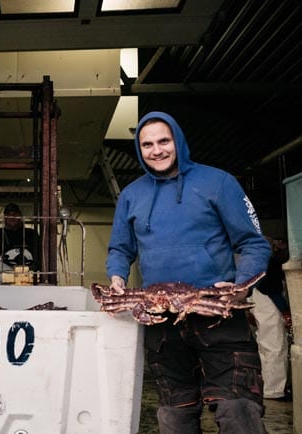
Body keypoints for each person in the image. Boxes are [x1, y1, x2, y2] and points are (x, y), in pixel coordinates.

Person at [105, 111, 272, 434]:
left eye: (164, 141)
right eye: (147, 144)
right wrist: (117, 276)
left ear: (178, 140)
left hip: (218, 314)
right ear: (140, 150)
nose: (157, 150)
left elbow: (254, 243)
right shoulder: (131, 195)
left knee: (238, 412)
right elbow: (120, 249)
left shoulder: (219, 182)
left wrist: (241, 286)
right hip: (162, 326)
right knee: (174, 417)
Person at [250, 236, 291, 401]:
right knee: (275, 347)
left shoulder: (256, 263)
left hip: (258, 301)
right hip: (268, 303)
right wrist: (285, 311)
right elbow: (272, 290)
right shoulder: (270, 264)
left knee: (265, 347)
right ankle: (274, 390)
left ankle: (267, 386)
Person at [0, 203, 40, 284]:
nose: (12, 217)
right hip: (2, 276)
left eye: (15, 214)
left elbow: (40, 256)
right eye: (8, 214)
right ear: (4, 218)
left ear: (20, 217)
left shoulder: (31, 234)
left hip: (28, 273)